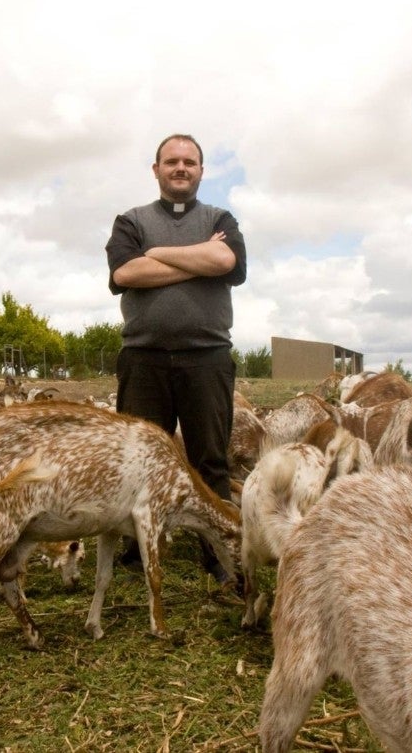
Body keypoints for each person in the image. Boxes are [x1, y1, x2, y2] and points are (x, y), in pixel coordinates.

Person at [105, 133, 247, 585]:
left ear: (202, 171)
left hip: (207, 357)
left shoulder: (220, 217)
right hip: (143, 358)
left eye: (190, 161)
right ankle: (136, 548)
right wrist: (200, 257)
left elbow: (228, 262)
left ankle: (218, 549)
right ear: (157, 170)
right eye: (172, 161)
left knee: (210, 458)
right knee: (139, 458)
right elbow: (126, 272)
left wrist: (160, 254)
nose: (181, 168)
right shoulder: (130, 221)